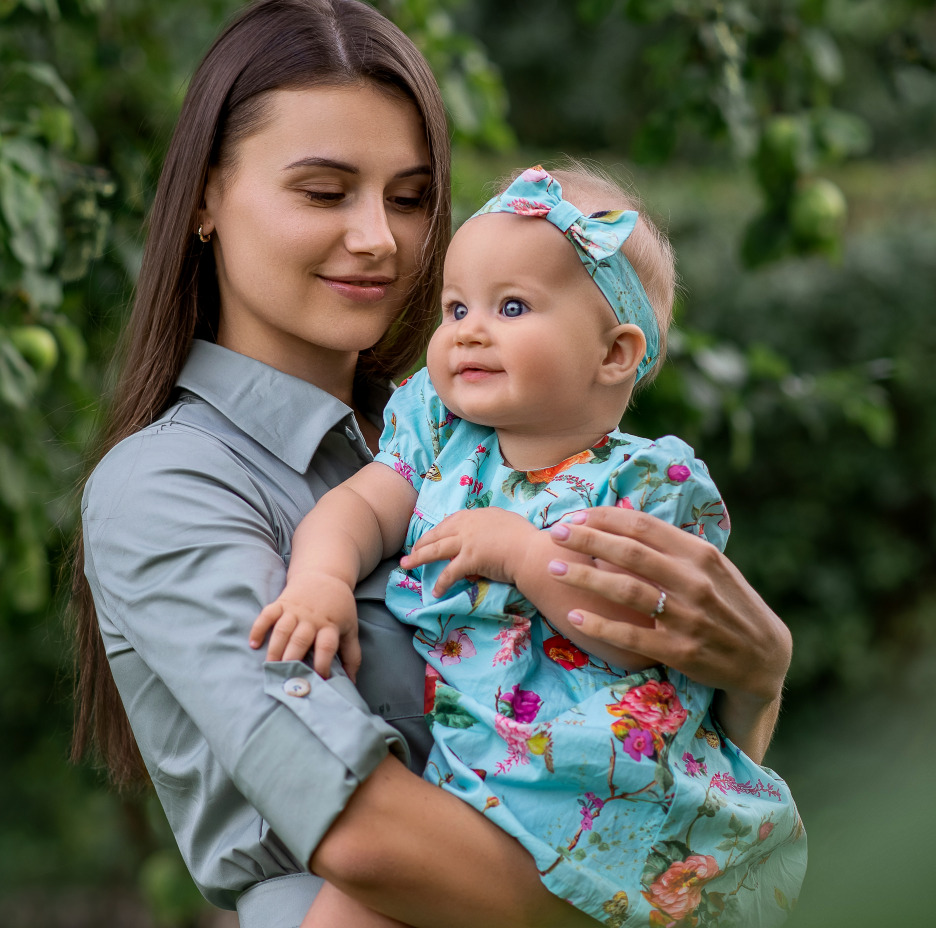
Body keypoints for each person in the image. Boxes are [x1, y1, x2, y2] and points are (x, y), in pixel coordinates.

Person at [71, 0, 795, 928]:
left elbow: (667, 761)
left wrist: (757, 674)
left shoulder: (477, 439)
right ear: (206, 195)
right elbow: (365, 839)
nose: (379, 238)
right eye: (323, 191)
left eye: (410, 199)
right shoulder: (171, 484)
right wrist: (664, 909)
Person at [251, 163, 805, 928]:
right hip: (469, 769)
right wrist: (319, 579)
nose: (468, 329)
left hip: (606, 783)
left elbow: (638, 639)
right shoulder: (441, 440)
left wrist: (524, 554)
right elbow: (357, 508)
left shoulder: (646, 486)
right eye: (455, 307)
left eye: (510, 306)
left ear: (613, 355)